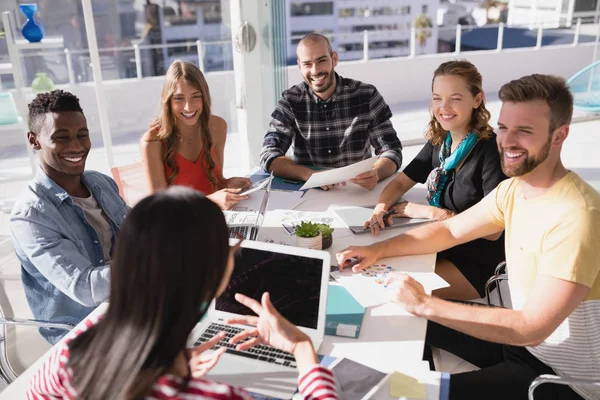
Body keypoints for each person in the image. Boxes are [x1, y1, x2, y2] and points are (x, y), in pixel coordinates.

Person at [337, 74, 600, 400]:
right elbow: (449, 230)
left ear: (560, 135)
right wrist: (376, 250)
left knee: (415, 394)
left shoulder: (577, 215)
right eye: (503, 127)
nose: (507, 141)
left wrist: (424, 303)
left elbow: (533, 326)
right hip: (519, 346)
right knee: (398, 321)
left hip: (561, 379)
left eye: (525, 131)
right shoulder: (514, 190)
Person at [27, 187, 338, 400]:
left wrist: (171, 363)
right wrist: (302, 350)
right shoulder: (218, 396)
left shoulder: (75, 351)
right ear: (213, 276)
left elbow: (36, 393)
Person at [364, 60, 506, 300]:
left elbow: (493, 230)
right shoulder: (442, 142)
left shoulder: (491, 151)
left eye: (455, 98)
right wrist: (380, 208)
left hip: (473, 263)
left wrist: (429, 212)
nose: (444, 107)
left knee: (391, 290)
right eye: (437, 98)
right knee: (373, 268)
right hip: (441, 243)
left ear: (477, 99)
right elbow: (400, 183)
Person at [10, 90, 129, 344]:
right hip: (86, 337)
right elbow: (86, 288)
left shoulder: (101, 183)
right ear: (34, 140)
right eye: (61, 137)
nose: (76, 146)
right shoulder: (31, 216)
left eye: (82, 135)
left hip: (133, 308)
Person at [259, 33, 403, 190]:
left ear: (334, 59)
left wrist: (377, 173)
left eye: (321, 61)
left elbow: (392, 150)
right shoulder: (290, 100)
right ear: (300, 66)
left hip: (357, 191)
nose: (315, 71)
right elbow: (269, 155)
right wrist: (308, 174)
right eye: (307, 64)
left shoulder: (366, 95)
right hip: (309, 193)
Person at [141, 60, 251, 210]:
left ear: (205, 96)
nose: (188, 107)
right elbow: (160, 210)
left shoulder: (218, 126)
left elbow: (214, 181)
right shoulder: (152, 142)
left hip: (214, 217)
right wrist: (210, 202)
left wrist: (226, 183)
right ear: (168, 101)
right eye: (179, 98)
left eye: (195, 96)